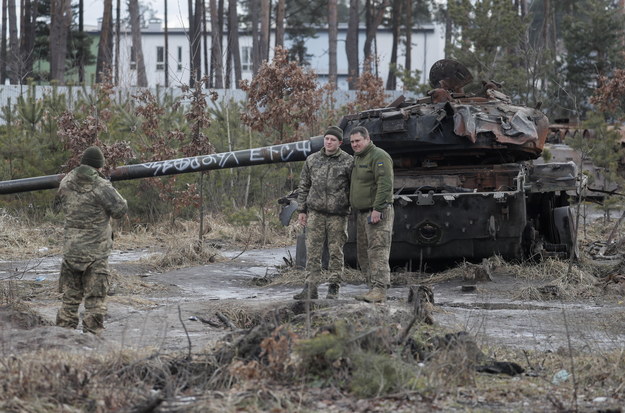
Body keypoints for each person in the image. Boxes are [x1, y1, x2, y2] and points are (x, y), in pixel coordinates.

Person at [54, 146, 128, 334]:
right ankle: (93, 344)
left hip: (72, 252)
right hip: (95, 254)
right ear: (99, 166)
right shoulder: (101, 186)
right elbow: (120, 210)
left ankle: (61, 339)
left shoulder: (66, 181)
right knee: (95, 302)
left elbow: (59, 205)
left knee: (69, 300)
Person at [294, 126, 353, 300]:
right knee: (312, 251)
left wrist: (347, 205)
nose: (328, 142)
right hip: (316, 213)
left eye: (333, 140)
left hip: (337, 214)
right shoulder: (312, 160)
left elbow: (353, 187)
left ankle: (334, 287)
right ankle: (310, 287)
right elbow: (304, 186)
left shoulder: (348, 161)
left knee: (336, 251)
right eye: (327, 139)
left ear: (339, 143)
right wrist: (302, 210)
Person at [349, 126, 394, 303]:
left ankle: (380, 289)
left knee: (377, 251)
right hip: (361, 213)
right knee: (363, 253)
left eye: (358, 141)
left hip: (376, 213)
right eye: (352, 142)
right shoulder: (358, 157)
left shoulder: (379, 156)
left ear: (367, 139)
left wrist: (378, 209)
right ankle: (371, 288)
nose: (354, 144)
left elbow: (385, 184)